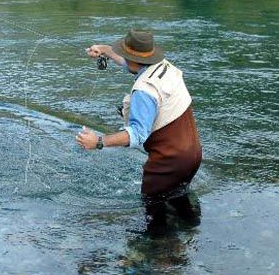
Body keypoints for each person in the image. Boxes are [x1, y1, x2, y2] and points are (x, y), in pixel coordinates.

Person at [76, 29, 202, 232]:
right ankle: (192, 231)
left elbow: (137, 134)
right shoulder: (164, 66)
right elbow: (132, 64)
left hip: (168, 161)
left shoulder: (144, 91)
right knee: (177, 196)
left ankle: (159, 247)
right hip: (192, 154)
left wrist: (98, 141)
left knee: (155, 216)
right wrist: (105, 50)